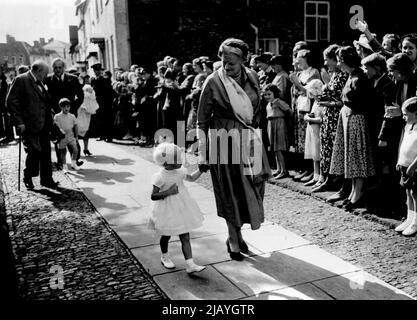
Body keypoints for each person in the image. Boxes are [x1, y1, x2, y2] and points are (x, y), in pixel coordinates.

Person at [197, 38, 271, 261]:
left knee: (255, 187)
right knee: (230, 190)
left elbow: (257, 109)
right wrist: (202, 152)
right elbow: (201, 120)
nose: (225, 66)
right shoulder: (213, 82)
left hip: (250, 139)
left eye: (231, 63)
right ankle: (233, 237)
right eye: (222, 60)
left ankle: (238, 233)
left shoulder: (253, 77)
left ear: (243, 60)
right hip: (224, 140)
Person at [329, 46, 377, 210]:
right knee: (350, 157)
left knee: (356, 157)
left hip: (356, 119)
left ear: (343, 61)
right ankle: (353, 192)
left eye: (339, 60)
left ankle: (358, 193)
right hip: (348, 118)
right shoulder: (351, 76)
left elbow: (364, 102)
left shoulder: (359, 77)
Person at [149, 142, 206, 274]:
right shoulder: (159, 177)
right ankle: (164, 256)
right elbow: (154, 196)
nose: (181, 160)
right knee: (166, 235)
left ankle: (190, 263)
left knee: (185, 235)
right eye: (177, 159)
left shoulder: (180, 171)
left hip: (182, 206)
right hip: (167, 209)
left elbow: (191, 178)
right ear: (167, 163)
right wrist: (168, 192)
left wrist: (201, 170)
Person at [6, 60, 58, 189]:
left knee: (46, 153)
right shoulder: (21, 80)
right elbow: (11, 101)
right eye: (45, 73)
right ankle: (28, 176)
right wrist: (19, 122)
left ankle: (47, 179)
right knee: (34, 151)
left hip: (44, 124)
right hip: (29, 124)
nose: (46, 76)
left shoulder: (40, 81)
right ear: (39, 70)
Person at [314, 44, 348, 193]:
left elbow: (342, 99)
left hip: (336, 117)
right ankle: (326, 178)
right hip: (329, 116)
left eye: (327, 60)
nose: (325, 63)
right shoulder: (333, 74)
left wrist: (329, 102)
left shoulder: (343, 75)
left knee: (334, 148)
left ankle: (334, 180)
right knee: (326, 147)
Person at [45, 58, 84, 169]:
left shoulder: (72, 79)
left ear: (64, 68)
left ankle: (75, 160)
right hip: (56, 114)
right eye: (55, 68)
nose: (58, 70)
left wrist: (73, 107)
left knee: (73, 136)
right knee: (59, 137)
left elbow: (80, 96)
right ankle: (60, 162)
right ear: (53, 68)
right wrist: (51, 109)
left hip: (70, 113)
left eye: (60, 67)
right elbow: (46, 97)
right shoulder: (48, 80)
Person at [395, 97, 417, 236]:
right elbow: (403, 144)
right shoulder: (408, 126)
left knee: (415, 193)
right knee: (408, 192)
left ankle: (416, 221)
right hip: (404, 164)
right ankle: (409, 218)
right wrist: (399, 160)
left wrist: (413, 166)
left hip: (413, 167)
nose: (403, 117)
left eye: (406, 114)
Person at [264, 83, 291, 179]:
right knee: (275, 149)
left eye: (269, 94)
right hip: (271, 125)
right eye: (265, 94)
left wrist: (285, 120)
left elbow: (288, 110)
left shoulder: (278, 102)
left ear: (274, 93)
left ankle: (284, 170)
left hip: (279, 125)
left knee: (279, 149)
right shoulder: (268, 104)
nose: (267, 96)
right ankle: (279, 169)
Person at [303, 79, 324, 187]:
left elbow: (321, 119)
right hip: (312, 129)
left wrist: (310, 119)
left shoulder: (321, 102)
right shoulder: (315, 102)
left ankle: (321, 177)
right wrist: (308, 116)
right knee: (314, 153)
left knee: (318, 153)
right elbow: (313, 113)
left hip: (318, 130)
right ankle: (315, 176)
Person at [90, 63, 115, 142]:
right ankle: (102, 135)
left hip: (105, 103)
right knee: (100, 120)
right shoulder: (95, 80)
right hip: (98, 103)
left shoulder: (105, 79)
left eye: (97, 70)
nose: (95, 72)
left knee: (107, 120)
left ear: (100, 70)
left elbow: (109, 92)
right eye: (94, 70)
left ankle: (109, 136)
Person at [54, 98, 80, 171]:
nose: (66, 108)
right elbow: (55, 127)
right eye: (64, 107)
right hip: (62, 137)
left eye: (68, 106)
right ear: (61, 107)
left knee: (75, 149)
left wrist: (77, 136)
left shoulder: (72, 116)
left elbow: (76, 126)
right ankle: (65, 167)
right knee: (63, 152)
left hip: (70, 136)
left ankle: (74, 163)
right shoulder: (57, 116)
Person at [77, 76, 99, 156]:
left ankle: (86, 148)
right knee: (77, 130)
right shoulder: (77, 87)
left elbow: (92, 98)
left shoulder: (88, 88)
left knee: (86, 131)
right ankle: (77, 149)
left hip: (87, 112)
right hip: (79, 112)